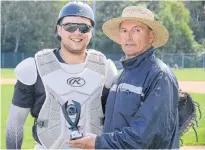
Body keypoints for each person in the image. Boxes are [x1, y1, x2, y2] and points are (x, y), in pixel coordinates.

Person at [6, 1, 117, 149]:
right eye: (70, 27)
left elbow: (117, 123)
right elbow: (15, 122)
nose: (77, 32)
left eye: (84, 28)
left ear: (91, 32)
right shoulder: (35, 68)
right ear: (59, 30)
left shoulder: (106, 69)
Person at [68, 6, 179, 149]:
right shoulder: (121, 76)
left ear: (151, 36)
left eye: (137, 30)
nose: (129, 36)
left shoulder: (159, 76)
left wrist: (98, 143)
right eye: (124, 31)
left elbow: (143, 137)